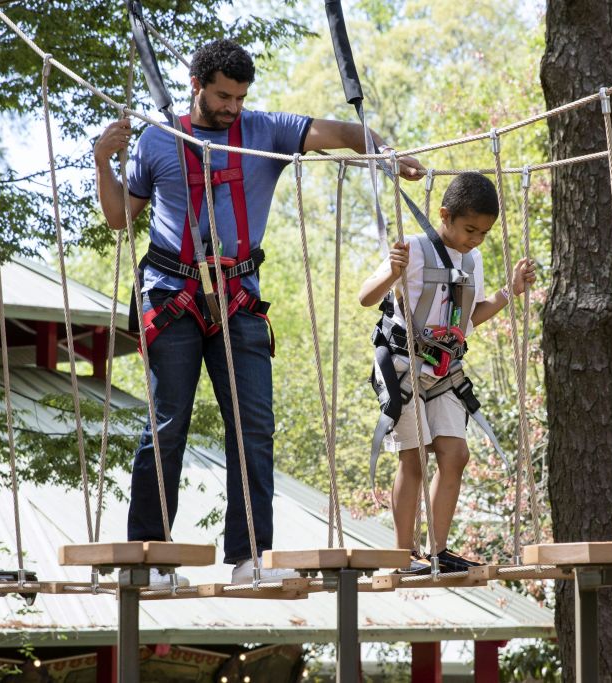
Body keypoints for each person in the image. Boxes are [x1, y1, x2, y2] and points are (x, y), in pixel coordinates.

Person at [93, 38, 423, 586]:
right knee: (167, 424)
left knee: (254, 427)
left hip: (239, 297)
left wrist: (385, 152)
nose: (233, 107)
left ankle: (249, 558)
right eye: (224, 96)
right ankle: (147, 557)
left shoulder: (265, 131)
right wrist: (103, 160)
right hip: (171, 295)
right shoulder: (159, 139)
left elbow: (344, 133)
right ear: (196, 86)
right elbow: (117, 217)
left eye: (241, 97)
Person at [358, 172, 536, 574]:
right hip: (403, 366)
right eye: (470, 230)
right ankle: (404, 555)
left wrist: (509, 291)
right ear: (445, 215)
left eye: (484, 233)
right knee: (414, 458)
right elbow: (366, 297)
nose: (476, 239)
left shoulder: (472, 261)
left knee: (455, 454)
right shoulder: (414, 249)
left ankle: (437, 551)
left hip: (443, 370)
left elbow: (471, 318)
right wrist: (391, 272)